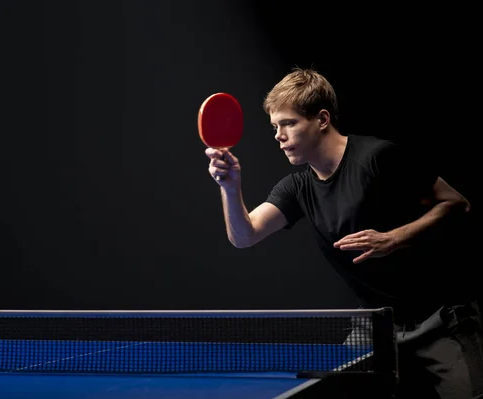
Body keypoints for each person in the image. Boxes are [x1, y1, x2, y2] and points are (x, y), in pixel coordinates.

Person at [204, 67, 483, 399]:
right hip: (377, 325)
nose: (278, 135)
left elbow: (457, 203)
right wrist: (230, 187)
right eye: (275, 127)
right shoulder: (297, 187)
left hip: (440, 317)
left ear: (322, 119)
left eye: (288, 123)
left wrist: (394, 237)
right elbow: (244, 236)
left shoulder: (378, 158)